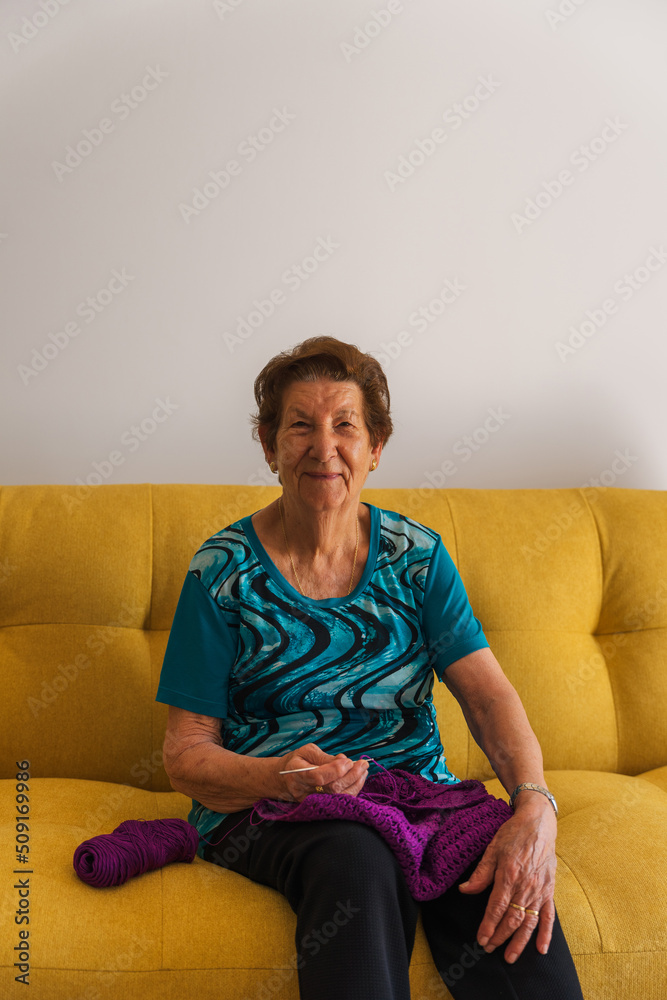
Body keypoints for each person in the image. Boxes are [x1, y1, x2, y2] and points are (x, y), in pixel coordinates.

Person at [156, 336, 584, 1000]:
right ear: (269, 445)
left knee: (504, 882)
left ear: (375, 447)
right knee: (356, 856)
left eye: (345, 426)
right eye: (299, 425)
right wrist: (282, 778)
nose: (322, 447)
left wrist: (533, 803)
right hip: (271, 807)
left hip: (414, 794)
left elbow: (488, 696)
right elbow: (185, 753)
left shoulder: (415, 558)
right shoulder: (222, 572)